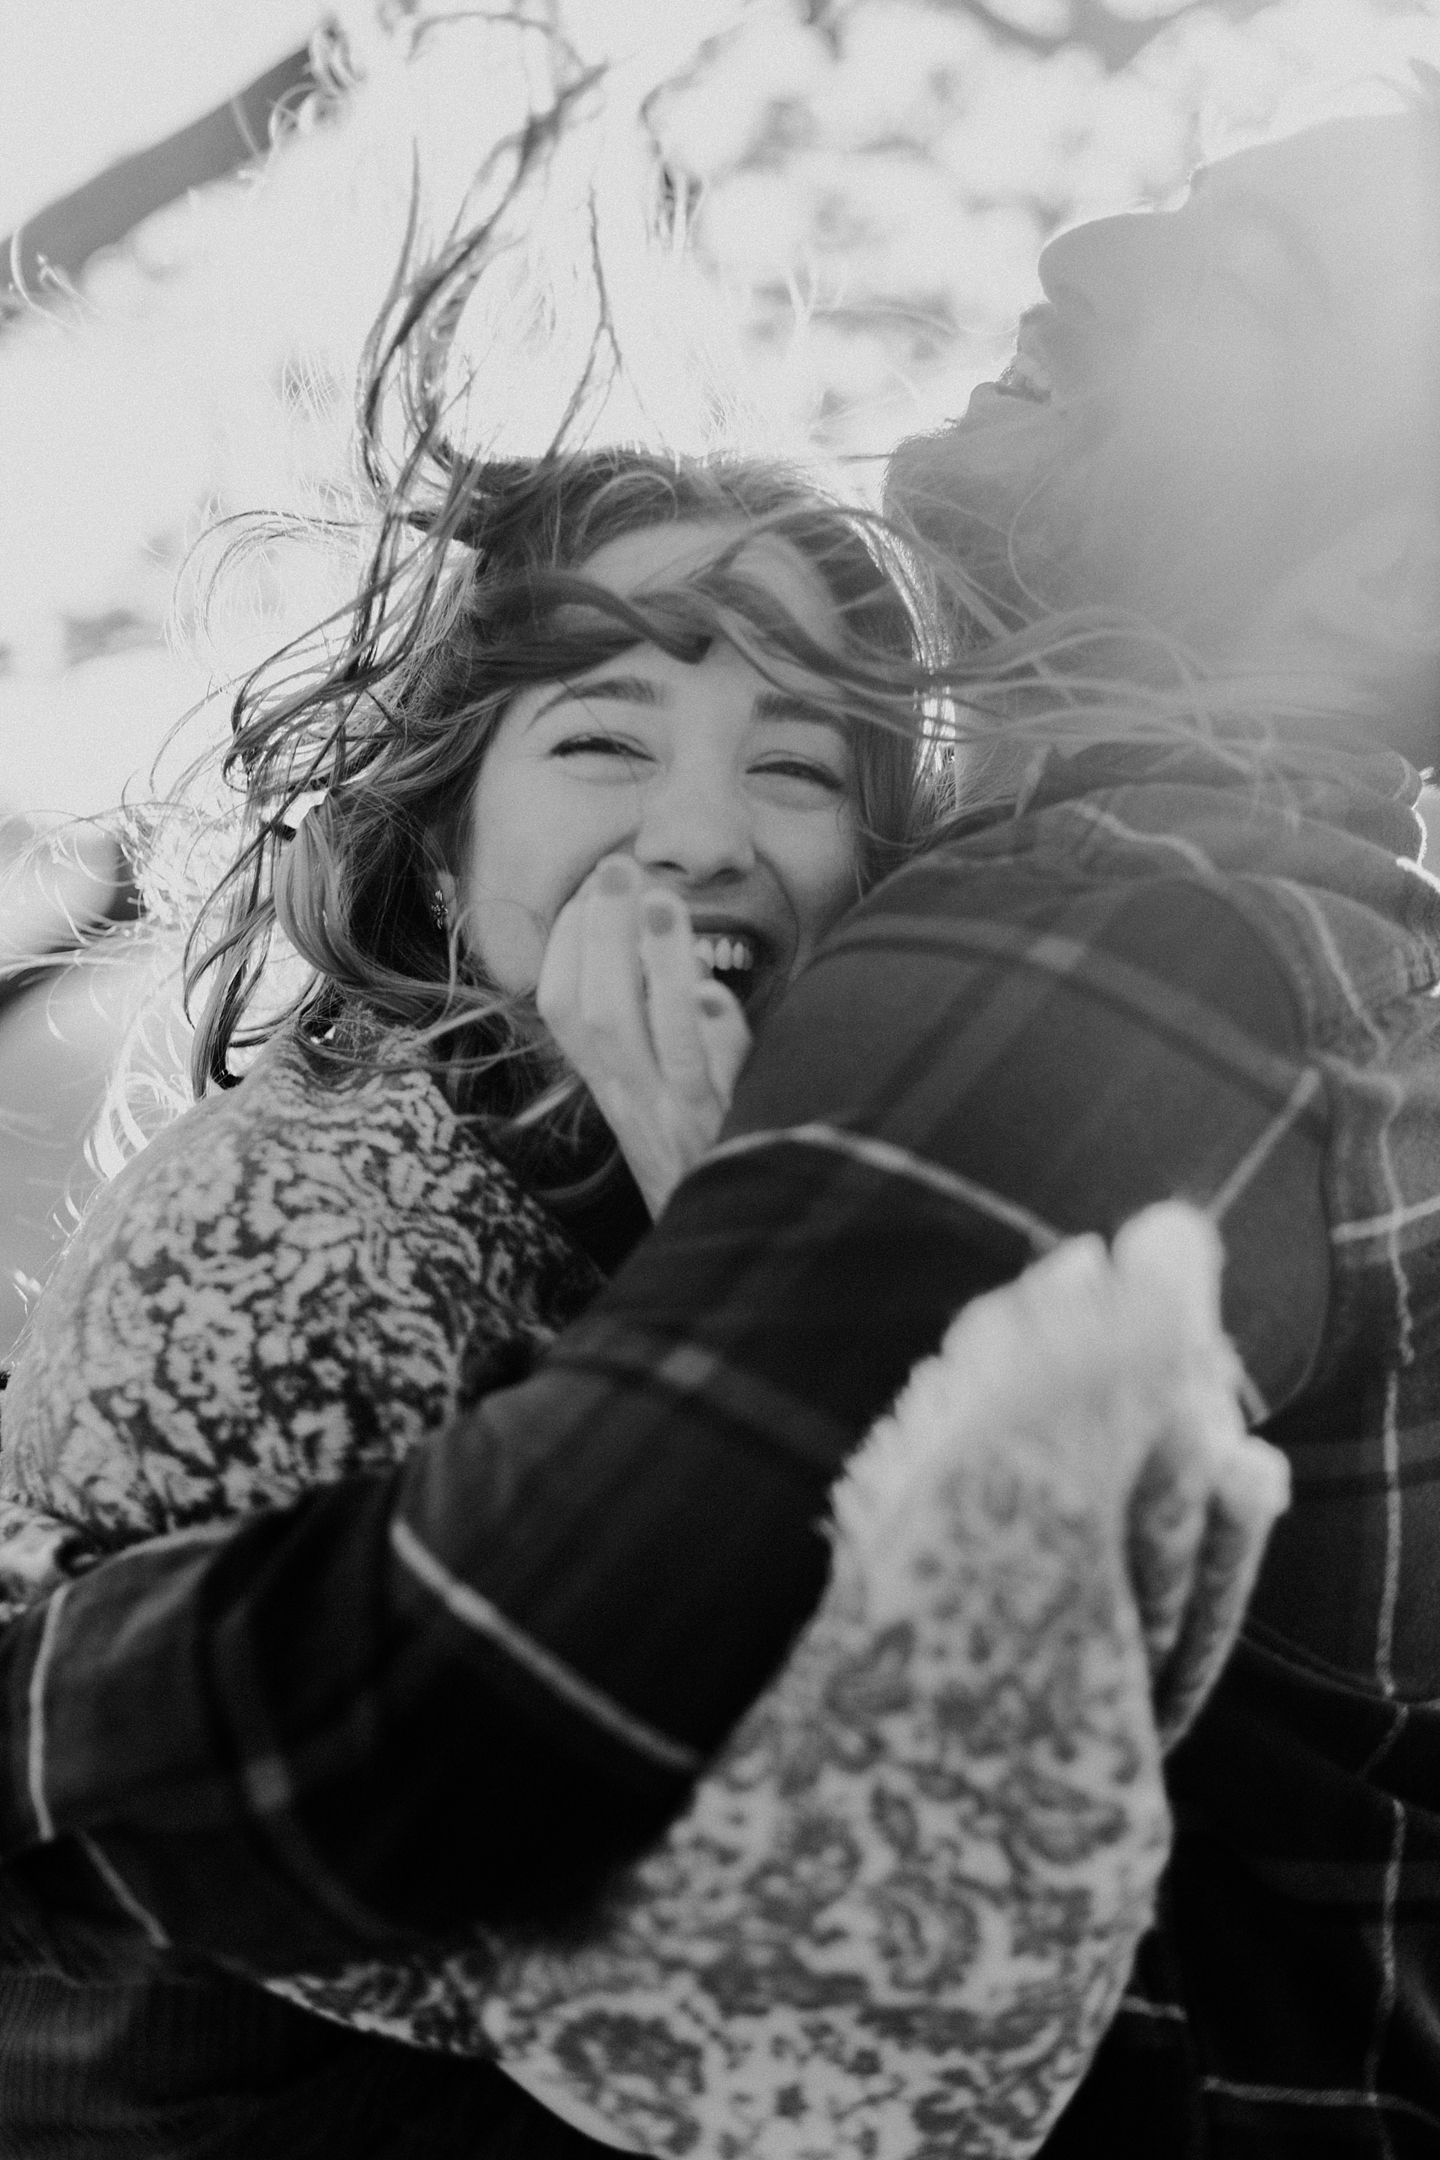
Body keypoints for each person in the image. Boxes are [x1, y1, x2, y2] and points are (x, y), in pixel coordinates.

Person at [6, 88, 1432, 2157]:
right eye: (600, 729)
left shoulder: (1141, 939)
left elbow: (485, 1716)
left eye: (1258, 277)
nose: (1085, 245)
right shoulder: (343, 1200)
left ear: (1400, 566)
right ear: (423, 831)